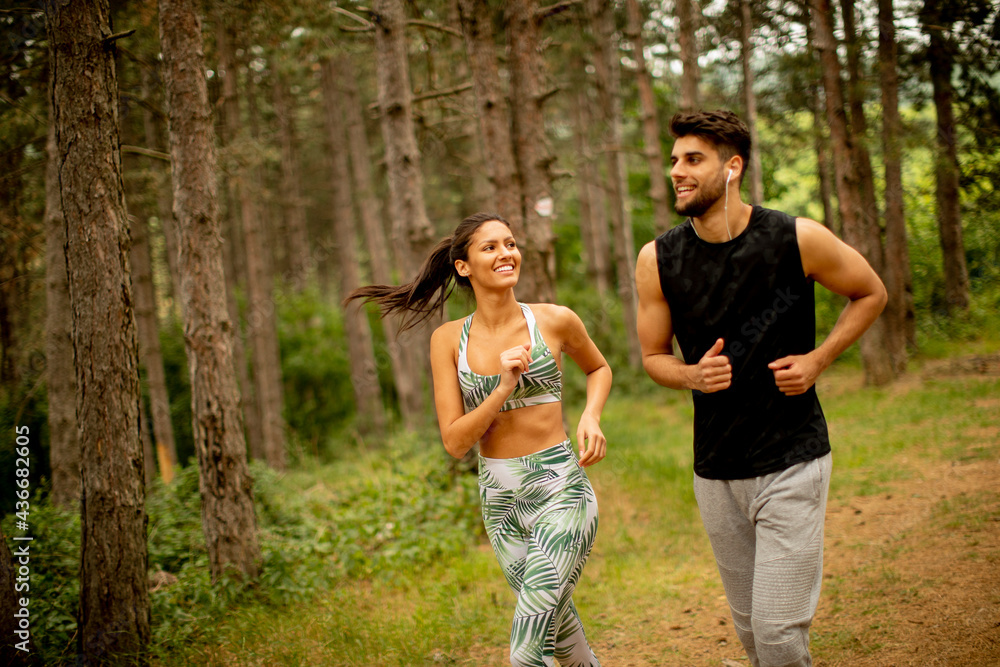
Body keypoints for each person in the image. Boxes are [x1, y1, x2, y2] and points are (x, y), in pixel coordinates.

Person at [635, 110, 887, 667]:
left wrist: (819, 359)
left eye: (692, 159)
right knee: (752, 630)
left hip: (793, 457)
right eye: (674, 159)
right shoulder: (658, 259)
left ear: (732, 167)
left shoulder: (796, 238)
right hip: (716, 469)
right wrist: (692, 375)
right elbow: (653, 358)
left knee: (776, 631)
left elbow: (870, 292)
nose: (676, 170)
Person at [348, 212, 611, 667]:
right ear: (463, 266)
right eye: (489, 247)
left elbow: (599, 367)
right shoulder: (448, 340)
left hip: (561, 489)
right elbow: (454, 441)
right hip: (500, 501)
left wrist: (591, 415)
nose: (506, 253)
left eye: (510, 243)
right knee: (562, 633)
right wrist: (503, 387)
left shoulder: (554, 320)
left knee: (527, 650)